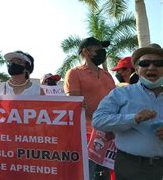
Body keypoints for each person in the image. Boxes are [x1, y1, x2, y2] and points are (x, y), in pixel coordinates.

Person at [92, 43, 163, 180]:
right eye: (145, 63)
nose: (151, 67)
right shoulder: (120, 94)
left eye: (158, 63)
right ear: (136, 69)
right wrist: (134, 118)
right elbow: (98, 120)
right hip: (131, 167)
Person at [64, 37, 115, 180]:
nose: (102, 53)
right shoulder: (74, 73)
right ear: (86, 52)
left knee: (107, 175)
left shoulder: (107, 75)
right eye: (98, 50)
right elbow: (75, 104)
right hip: (86, 135)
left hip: (110, 134)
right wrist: (103, 119)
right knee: (87, 175)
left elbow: (115, 101)